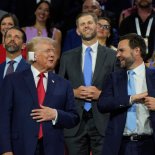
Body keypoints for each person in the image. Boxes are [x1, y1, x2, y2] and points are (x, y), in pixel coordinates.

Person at [0, 36, 79, 155]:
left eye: (53, 51)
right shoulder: (13, 80)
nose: (52, 54)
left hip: (53, 148)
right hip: (20, 147)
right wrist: (6, 149)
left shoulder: (64, 84)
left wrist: (55, 114)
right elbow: (4, 117)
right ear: (34, 56)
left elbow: (74, 117)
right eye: (48, 51)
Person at [59, 12, 118, 155]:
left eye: (89, 23)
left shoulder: (112, 55)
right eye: (82, 24)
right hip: (74, 123)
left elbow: (119, 89)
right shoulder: (67, 57)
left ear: (97, 26)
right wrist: (73, 92)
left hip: (103, 121)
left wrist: (101, 95)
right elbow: (59, 89)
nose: (86, 26)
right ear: (78, 30)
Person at [98, 33, 155, 155]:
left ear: (137, 51)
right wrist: (131, 98)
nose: (117, 54)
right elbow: (102, 104)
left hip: (149, 144)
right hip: (121, 145)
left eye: (121, 50)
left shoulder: (153, 76)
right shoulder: (113, 78)